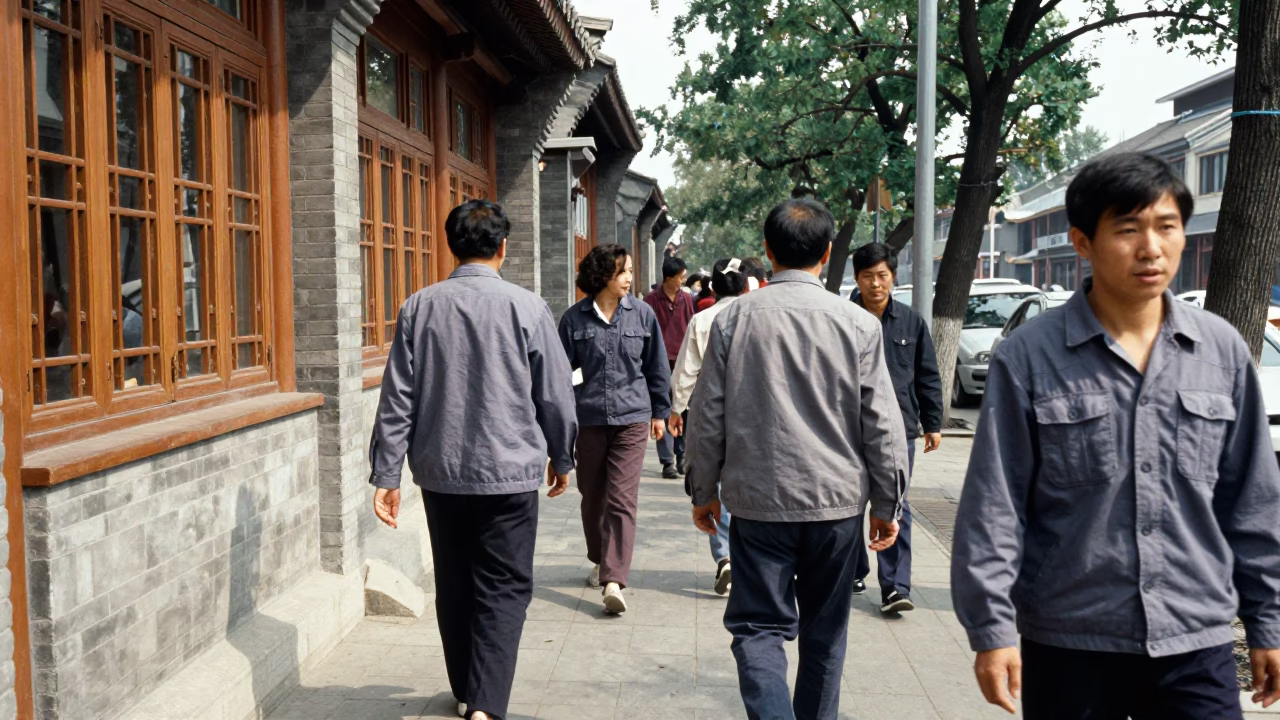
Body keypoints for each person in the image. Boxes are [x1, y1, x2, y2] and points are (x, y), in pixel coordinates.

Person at [951, 153, 1280, 719]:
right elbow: (995, 507)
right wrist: (991, 629)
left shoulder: (1221, 351)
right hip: (1070, 641)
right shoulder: (1028, 358)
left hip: (1194, 638)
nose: (1151, 248)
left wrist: (1268, 619)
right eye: (1127, 230)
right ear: (1082, 241)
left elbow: (1251, 499)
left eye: (1167, 227)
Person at [687, 198, 908, 720]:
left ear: (768, 249)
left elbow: (707, 415)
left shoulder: (732, 320)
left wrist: (703, 491)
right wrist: (887, 502)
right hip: (835, 507)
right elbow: (882, 422)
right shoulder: (857, 323)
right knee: (825, 635)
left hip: (758, 504)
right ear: (828, 252)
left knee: (757, 628)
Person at [368, 200, 578, 720]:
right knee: (503, 589)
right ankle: (485, 705)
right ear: (503, 247)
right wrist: (562, 454)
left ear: (451, 245)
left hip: (441, 476)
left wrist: (387, 472)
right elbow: (554, 394)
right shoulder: (527, 308)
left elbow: (398, 397)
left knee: (456, 583)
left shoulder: (419, 306)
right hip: (509, 475)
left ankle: (466, 689)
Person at [559, 244, 671, 615]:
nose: (628, 278)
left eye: (629, 272)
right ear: (601, 275)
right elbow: (560, 375)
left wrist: (660, 412)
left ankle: (614, 579)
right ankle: (600, 557)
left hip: (632, 420)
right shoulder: (574, 320)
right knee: (593, 499)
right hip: (588, 420)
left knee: (622, 499)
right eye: (621, 271)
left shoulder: (642, 315)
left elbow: (656, 368)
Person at [849, 243, 944, 614]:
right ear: (857, 278)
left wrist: (933, 422)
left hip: (898, 430)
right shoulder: (841, 318)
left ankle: (895, 587)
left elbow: (927, 375)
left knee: (894, 507)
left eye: (882, 276)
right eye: (868, 276)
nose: (876, 284)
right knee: (847, 506)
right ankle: (853, 570)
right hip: (848, 429)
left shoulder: (911, 322)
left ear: (893, 277)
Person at [669, 257, 749, 596]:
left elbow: (686, 372)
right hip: (753, 416)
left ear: (713, 287)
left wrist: (676, 410)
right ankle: (748, 557)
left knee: (715, 484)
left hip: (710, 415)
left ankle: (725, 556)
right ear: (746, 286)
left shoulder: (702, 320)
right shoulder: (755, 317)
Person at [644, 256, 696, 479]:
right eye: (680, 277)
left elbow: (691, 328)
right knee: (663, 410)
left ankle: (682, 455)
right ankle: (667, 462)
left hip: (683, 363)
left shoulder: (686, 299)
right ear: (668, 278)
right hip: (659, 363)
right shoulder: (650, 301)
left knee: (683, 408)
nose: (683, 281)